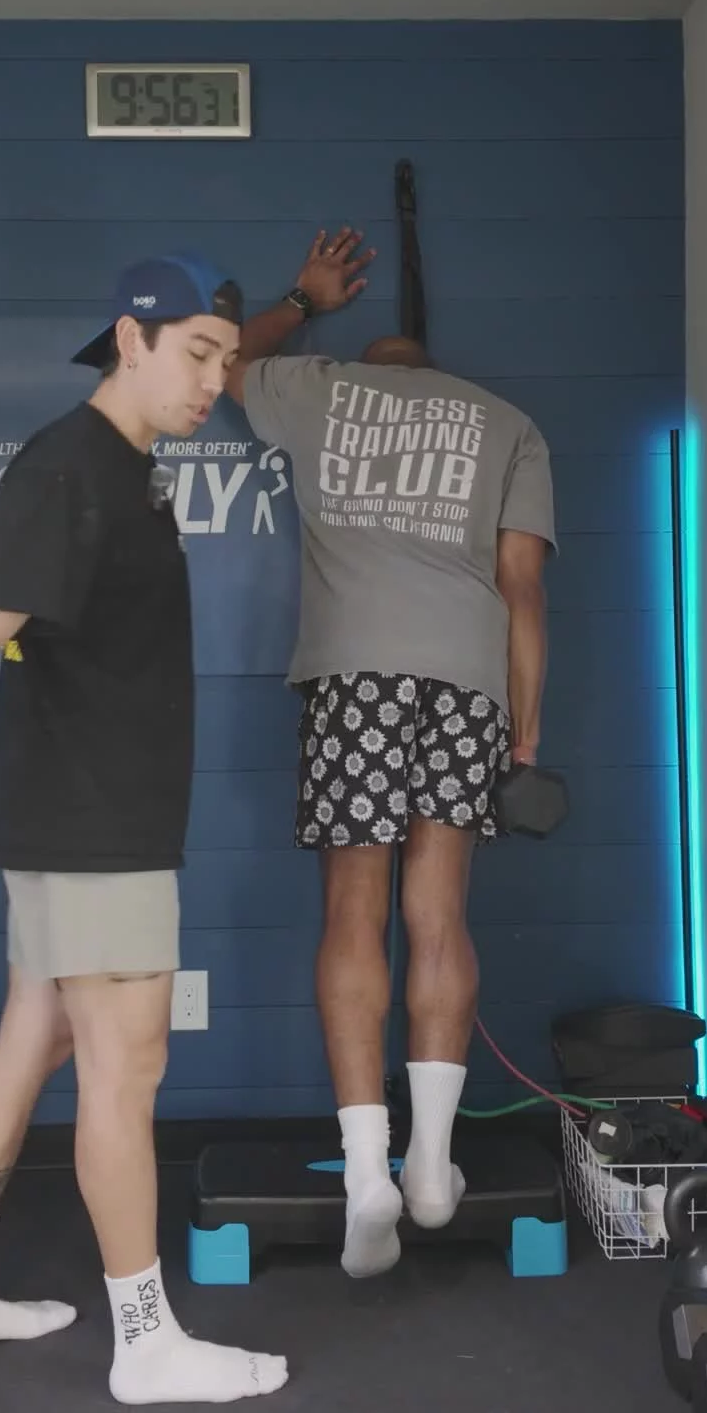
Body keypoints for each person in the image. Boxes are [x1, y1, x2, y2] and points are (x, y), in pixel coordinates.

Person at [0, 255, 288, 1406]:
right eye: (196, 353)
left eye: (227, 360)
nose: (214, 381)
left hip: (77, 818)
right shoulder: (70, 467)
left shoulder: (123, 470)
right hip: (97, 829)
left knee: (36, 1038)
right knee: (125, 1068)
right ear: (130, 339)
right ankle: (145, 1342)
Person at [228, 229, 556, 1279]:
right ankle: (433, 1165)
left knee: (352, 912)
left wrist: (301, 299)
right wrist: (524, 728)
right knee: (438, 915)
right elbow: (523, 592)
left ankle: (369, 1170)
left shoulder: (314, 388)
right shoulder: (507, 424)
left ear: (372, 362)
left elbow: (221, 358)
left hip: (354, 676)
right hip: (467, 680)